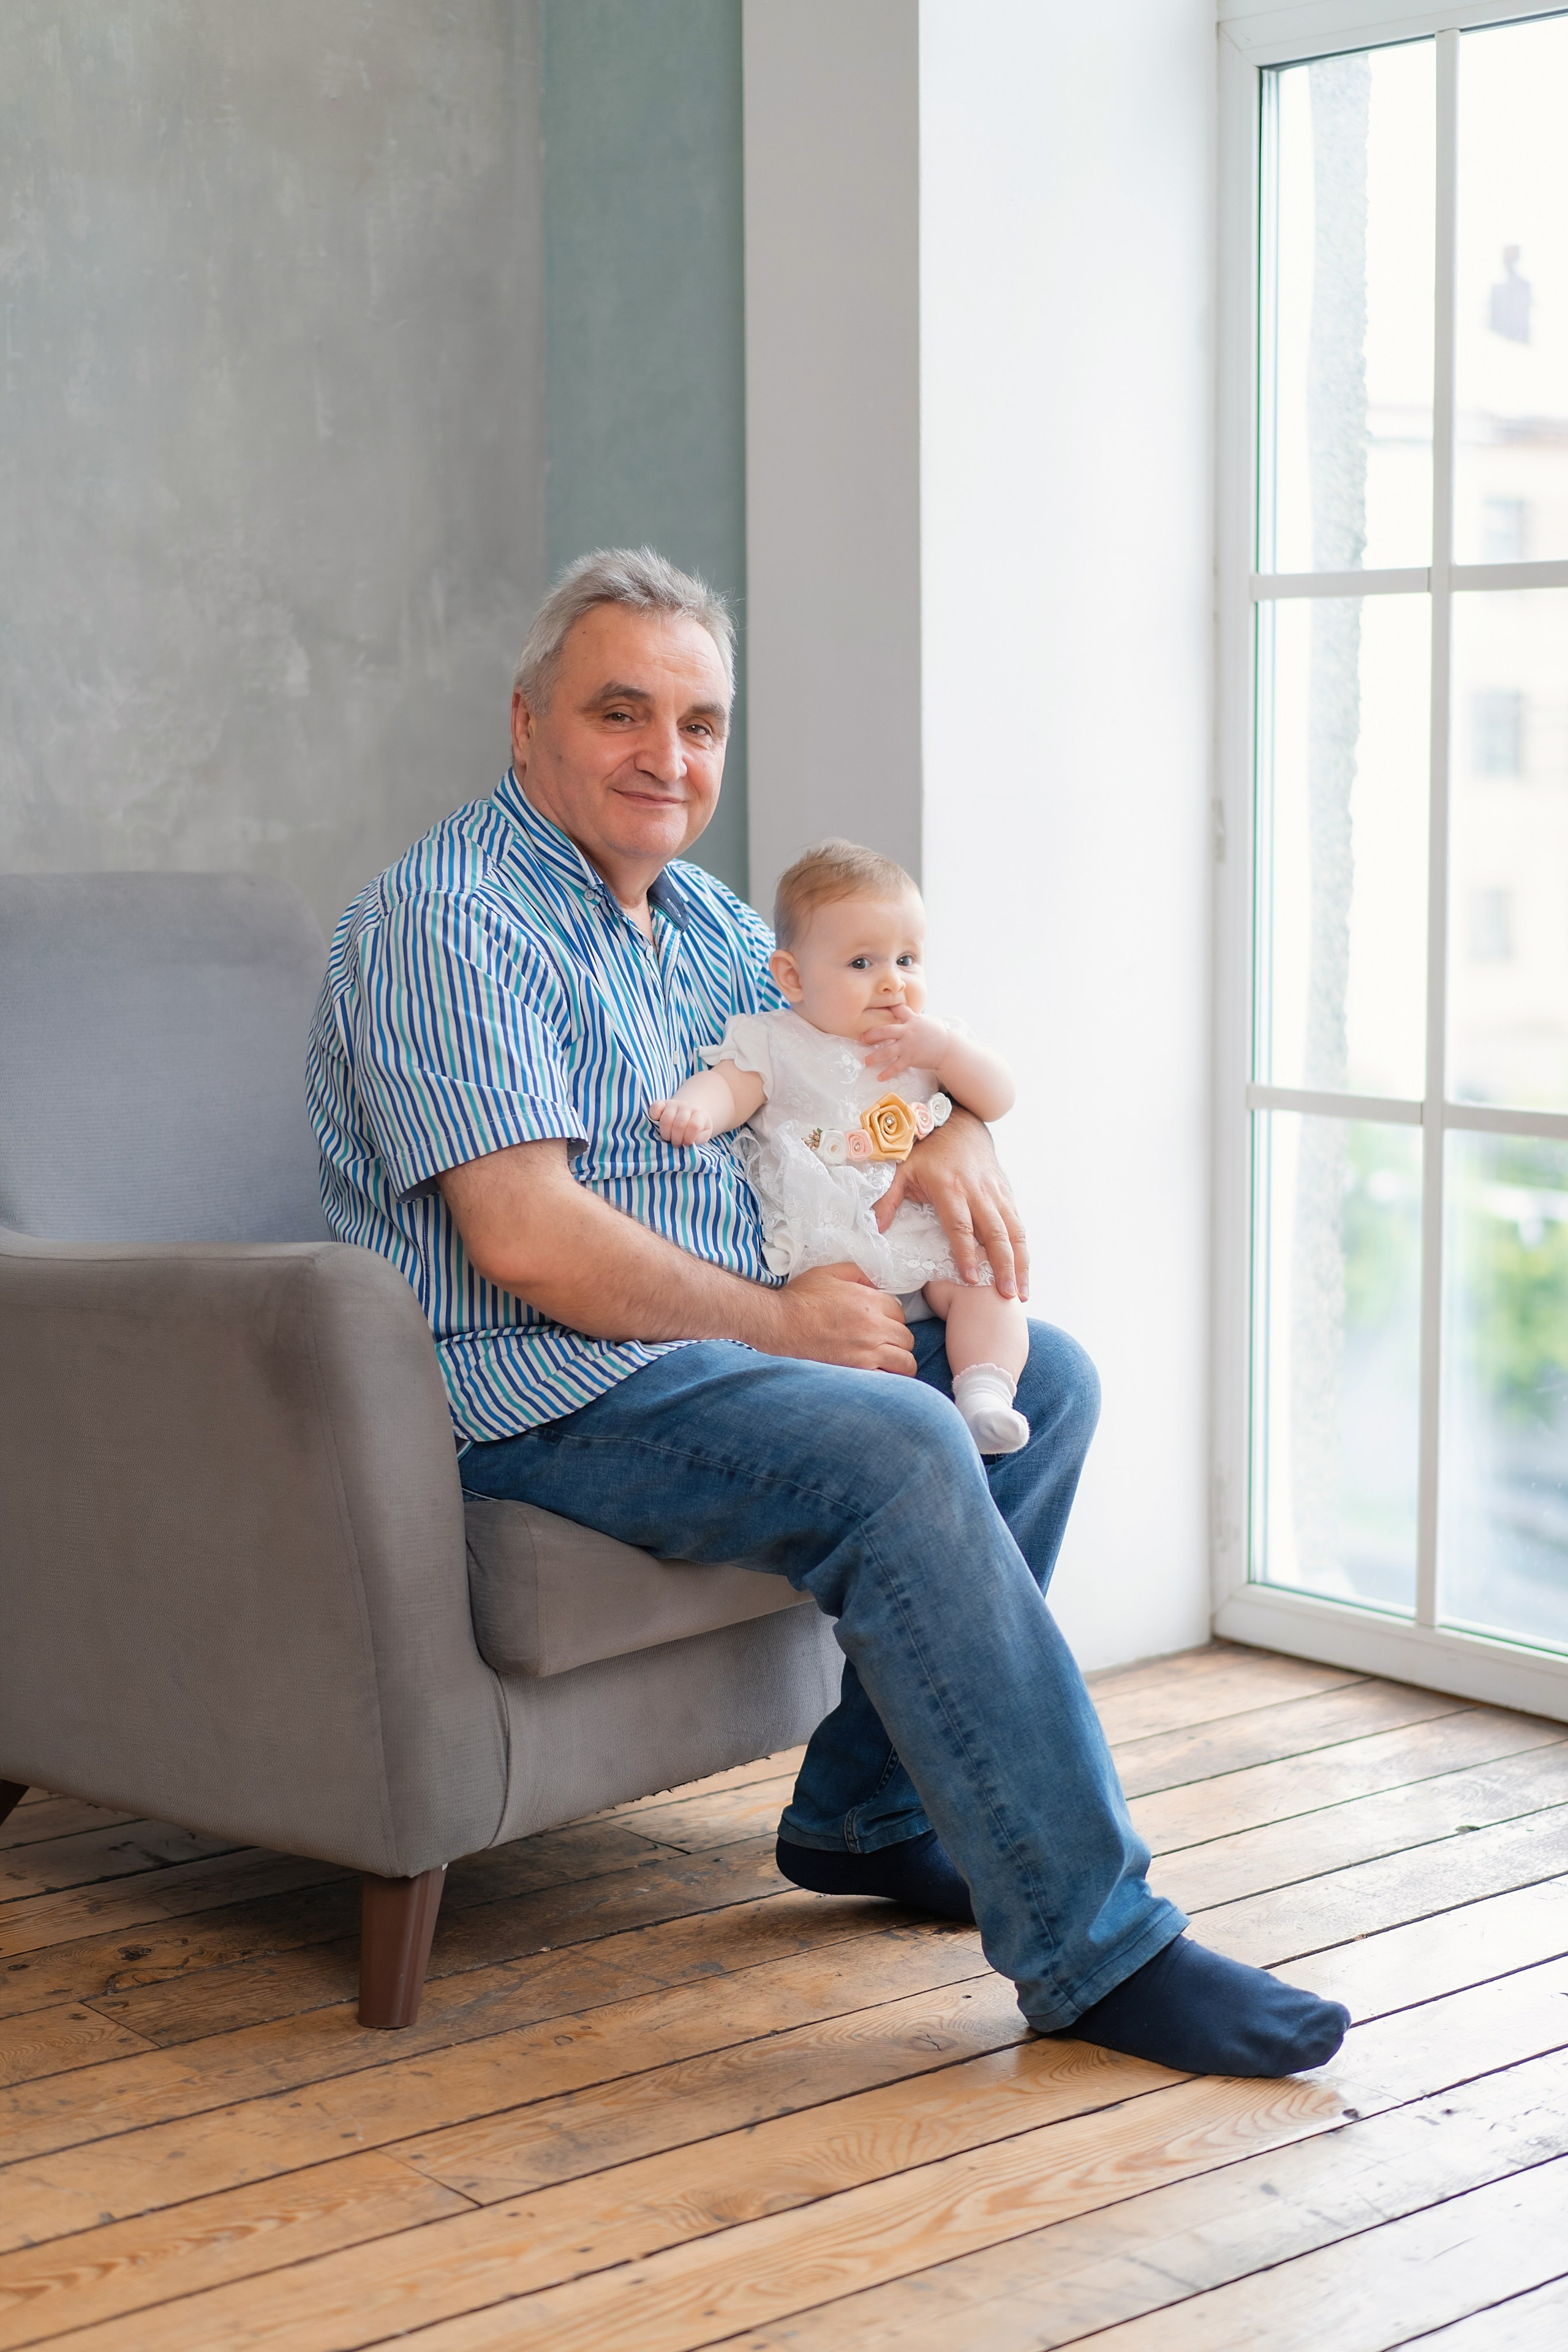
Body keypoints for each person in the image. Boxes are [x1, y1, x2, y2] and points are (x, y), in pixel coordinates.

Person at [307, 546, 1349, 2078]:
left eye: (701, 723)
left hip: (708, 1352)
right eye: (620, 712)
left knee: (1039, 1380)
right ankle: (1095, 1946)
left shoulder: (719, 923)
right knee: (898, 1443)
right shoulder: (449, 919)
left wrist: (951, 1136)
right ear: (523, 722)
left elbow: (882, 1065)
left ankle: (871, 1814)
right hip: (536, 1386)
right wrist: (786, 1327)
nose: (667, 757)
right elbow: (521, 1240)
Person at [648, 838, 1032, 1457]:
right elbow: (732, 1085)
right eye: (862, 964)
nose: (892, 984)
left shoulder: (932, 1042)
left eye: (908, 960)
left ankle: (985, 1390)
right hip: (835, 1251)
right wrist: (698, 1107)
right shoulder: (775, 1040)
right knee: (859, 1347)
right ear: (792, 978)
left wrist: (946, 1054)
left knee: (986, 1286)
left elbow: (999, 1096)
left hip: (923, 1231)